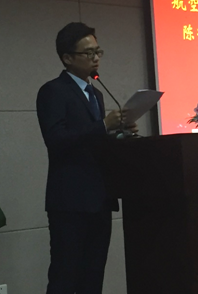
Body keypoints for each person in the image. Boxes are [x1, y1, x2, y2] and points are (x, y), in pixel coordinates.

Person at [36, 22, 137, 294]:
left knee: (93, 278)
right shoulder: (53, 91)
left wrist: (119, 133)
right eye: (88, 53)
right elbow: (56, 140)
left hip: (99, 198)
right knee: (64, 277)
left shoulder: (96, 93)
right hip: (69, 201)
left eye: (98, 52)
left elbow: (93, 142)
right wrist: (103, 125)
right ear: (67, 58)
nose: (95, 58)